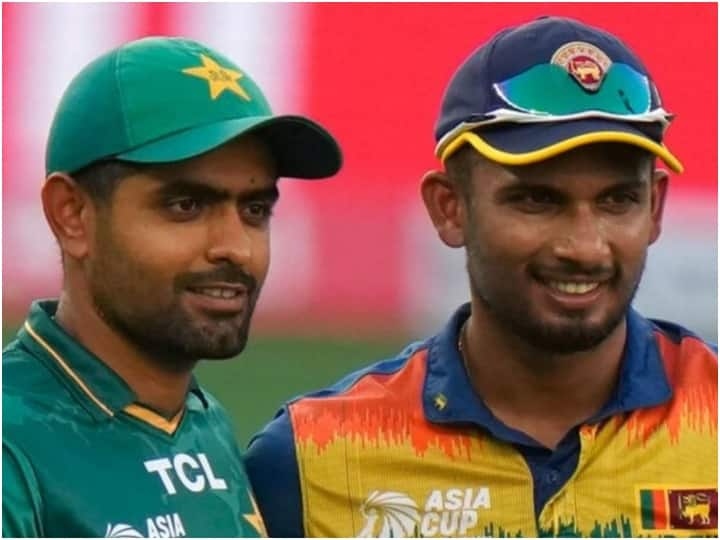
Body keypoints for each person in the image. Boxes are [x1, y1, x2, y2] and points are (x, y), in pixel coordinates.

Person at [244, 16, 717, 538]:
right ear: (450, 209)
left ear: (654, 208)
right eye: (537, 200)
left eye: (617, 200)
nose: (584, 247)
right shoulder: (309, 460)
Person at [2, 36, 341, 537]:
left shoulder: (205, 425)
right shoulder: (13, 443)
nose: (236, 248)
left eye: (254, 210)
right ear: (71, 215)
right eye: (186, 206)